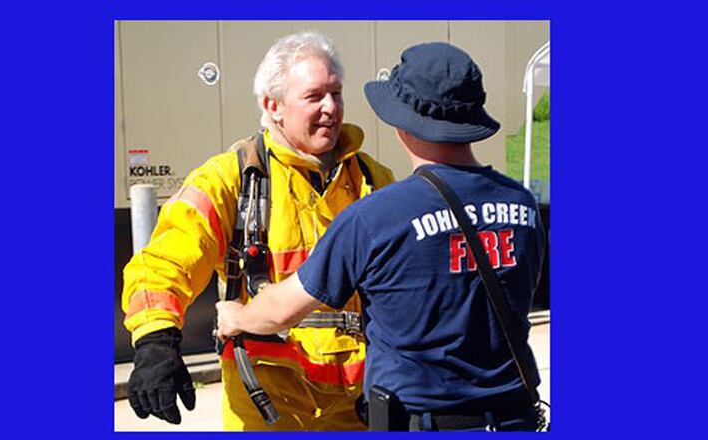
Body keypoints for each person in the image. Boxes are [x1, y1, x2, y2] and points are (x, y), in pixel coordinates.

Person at [216, 42, 547, 431]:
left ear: (401, 124)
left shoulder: (377, 216)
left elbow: (283, 311)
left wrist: (237, 316)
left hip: (424, 423)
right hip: (515, 419)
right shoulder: (523, 205)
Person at [121, 31, 395, 431]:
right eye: (314, 96)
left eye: (336, 94)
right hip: (266, 407)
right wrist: (155, 340)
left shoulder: (372, 180)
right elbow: (163, 262)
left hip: (358, 407)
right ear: (273, 106)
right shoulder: (229, 179)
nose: (331, 108)